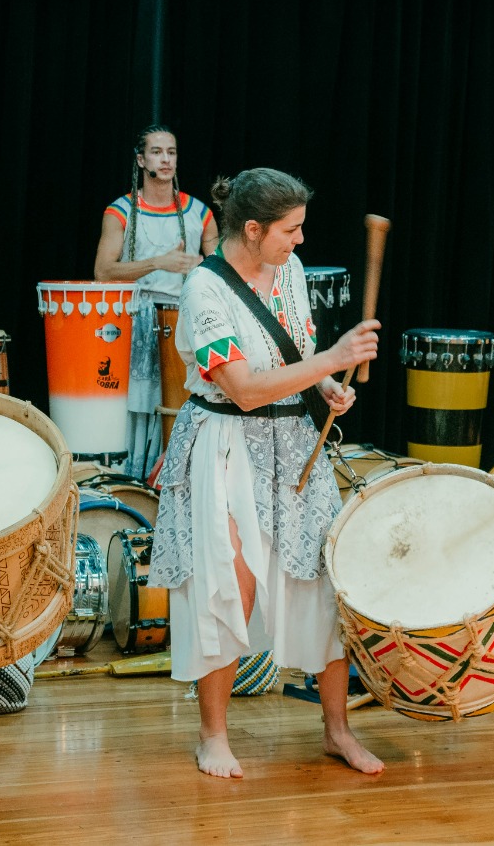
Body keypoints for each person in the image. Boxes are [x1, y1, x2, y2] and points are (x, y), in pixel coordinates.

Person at [148, 167, 383, 779]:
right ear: (252, 229)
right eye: (290, 230)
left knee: (323, 582)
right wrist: (333, 358)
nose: (299, 240)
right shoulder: (204, 291)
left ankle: (337, 730)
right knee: (230, 585)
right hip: (225, 442)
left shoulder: (292, 271)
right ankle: (213, 735)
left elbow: (293, 355)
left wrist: (327, 384)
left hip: (294, 439)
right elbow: (246, 389)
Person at [93, 125, 219, 477]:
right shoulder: (120, 211)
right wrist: (159, 262)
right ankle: (132, 481)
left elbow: (221, 270)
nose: (166, 159)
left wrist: (202, 265)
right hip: (137, 318)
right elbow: (103, 272)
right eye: (157, 152)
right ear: (141, 160)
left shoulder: (199, 212)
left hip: (184, 320)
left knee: (181, 400)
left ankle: (175, 477)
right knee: (137, 405)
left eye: (171, 152)